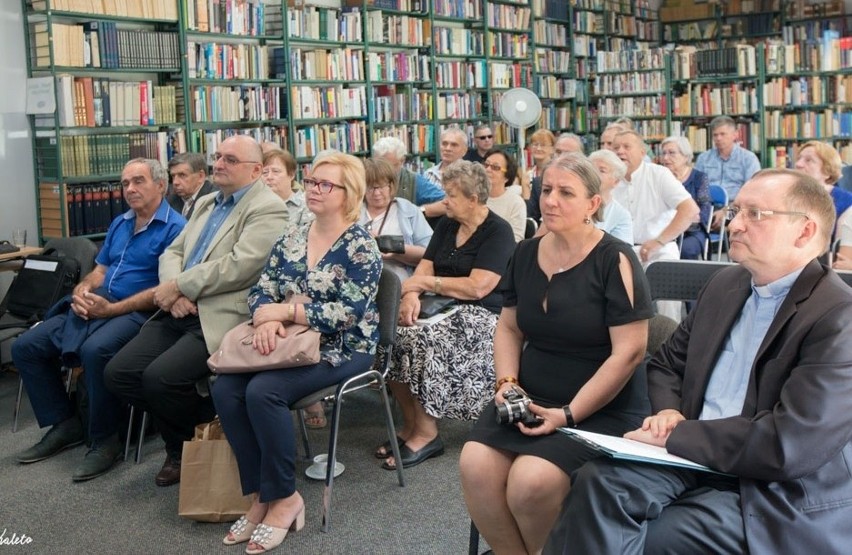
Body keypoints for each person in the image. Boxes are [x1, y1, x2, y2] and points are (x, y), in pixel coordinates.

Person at [546, 169, 852, 555]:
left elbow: (789, 444)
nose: (734, 225)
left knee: (659, 537)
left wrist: (677, 435)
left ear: (804, 232)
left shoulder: (839, 316)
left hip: (769, 485)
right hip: (692, 456)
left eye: (754, 214)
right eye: (737, 210)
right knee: (596, 482)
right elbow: (666, 365)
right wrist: (670, 413)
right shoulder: (725, 285)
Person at [460, 154, 652, 555]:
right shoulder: (526, 253)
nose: (551, 201)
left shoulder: (615, 258)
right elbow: (510, 327)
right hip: (530, 395)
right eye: (546, 190)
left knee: (531, 482)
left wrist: (569, 414)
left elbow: (630, 353)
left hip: (599, 406)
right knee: (475, 465)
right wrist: (507, 383)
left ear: (592, 205)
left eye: (566, 193)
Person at [213, 152, 382, 554]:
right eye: (311, 182)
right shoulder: (293, 234)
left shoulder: (361, 246)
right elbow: (261, 289)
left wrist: (286, 311)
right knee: (225, 389)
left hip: (345, 348)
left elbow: (347, 313)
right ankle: (261, 495)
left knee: (263, 392)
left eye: (327, 184)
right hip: (288, 340)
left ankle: (286, 497)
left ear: (350, 193)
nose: (315, 189)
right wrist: (265, 318)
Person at [104, 135, 288, 487]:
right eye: (218, 157)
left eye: (230, 160)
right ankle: (205, 420)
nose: (218, 164)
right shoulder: (207, 203)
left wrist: (181, 286)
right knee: (119, 373)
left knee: (159, 379)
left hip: (221, 315)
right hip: (179, 308)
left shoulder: (267, 207)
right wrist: (173, 291)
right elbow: (171, 252)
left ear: (256, 170)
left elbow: (243, 266)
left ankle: (178, 450)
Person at [13, 158, 186, 481]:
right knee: (26, 346)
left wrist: (109, 310)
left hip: (141, 313)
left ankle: (105, 440)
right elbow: (101, 270)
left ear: (160, 185)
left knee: (95, 351)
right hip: (99, 303)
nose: (130, 189)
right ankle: (65, 422)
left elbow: (165, 291)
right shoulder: (121, 222)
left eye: (138, 181)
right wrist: (82, 290)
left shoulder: (176, 229)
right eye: (125, 183)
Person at [378, 160, 515, 470]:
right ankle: (411, 425)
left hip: (483, 315)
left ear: (473, 199)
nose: (445, 202)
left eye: (451, 195)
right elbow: (425, 265)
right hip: (438, 307)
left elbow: (478, 287)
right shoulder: (448, 225)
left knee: (427, 341)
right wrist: (411, 295)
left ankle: (428, 434)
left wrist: (422, 284)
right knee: (394, 335)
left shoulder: (498, 231)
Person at [612, 130, 700, 321]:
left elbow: (690, 209)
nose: (620, 152)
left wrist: (659, 241)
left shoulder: (659, 174)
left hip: (659, 247)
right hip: (621, 249)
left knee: (668, 274)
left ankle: (671, 339)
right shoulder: (610, 180)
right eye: (615, 147)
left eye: (626, 147)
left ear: (643, 152)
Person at [359, 158, 432, 283]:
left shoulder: (409, 210)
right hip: (359, 280)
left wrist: (394, 250)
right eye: (370, 187)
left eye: (381, 186)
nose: (376, 193)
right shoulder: (352, 212)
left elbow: (429, 253)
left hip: (399, 283)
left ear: (391, 185)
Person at [792, 141, 852, 270]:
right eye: (798, 159)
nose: (798, 164)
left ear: (827, 171)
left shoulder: (847, 202)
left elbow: (839, 259)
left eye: (809, 160)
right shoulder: (785, 196)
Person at [694, 115, 761, 228]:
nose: (718, 138)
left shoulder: (748, 158)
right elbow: (696, 187)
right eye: (715, 135)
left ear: (735, 135)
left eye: (722, 134)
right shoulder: (703, 158)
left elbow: (752, 192)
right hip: (707, 207)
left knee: (727, 218)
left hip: (737, 207)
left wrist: (727, 210)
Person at [659, 136, 712, 260]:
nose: (666, 158)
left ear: (686, 156)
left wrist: (683, 220)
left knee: (685, 249)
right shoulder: (660, 177)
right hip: (663, 230)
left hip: (692, 232)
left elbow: (704, 212)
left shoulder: (699, 177)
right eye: (664, 153)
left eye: (671, 153)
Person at [372, 136, 446, 218]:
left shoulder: (413, 180)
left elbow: (447, 202)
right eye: (379, 164)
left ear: (402, 161)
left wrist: (419, 212)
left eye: (388, 166)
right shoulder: (364, 177)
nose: (382, 170)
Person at [588, 149, 634, 244]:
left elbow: (622, 252)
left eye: (602, 170)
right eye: (591, 168)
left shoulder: (621, 215)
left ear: (616, 182)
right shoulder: (573, 203)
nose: (594, 173)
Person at [483, 148, 527, 242]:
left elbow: (516, 240)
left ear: (507, 177)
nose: (488, 169)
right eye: (486, 165)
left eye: (495, 167)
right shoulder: (474, 197)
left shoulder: (516, 203)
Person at [262, 148, 311, 226]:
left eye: (275, 171)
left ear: (291, 175)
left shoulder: (306, 205)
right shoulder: (256, 205)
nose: (269, 177)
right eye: (264, 172)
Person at [167, 152, 214, 219]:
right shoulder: (170, 201)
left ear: (200, 176)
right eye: (173, 176)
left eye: (182, 175)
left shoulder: (215, 200)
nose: (175, 182)